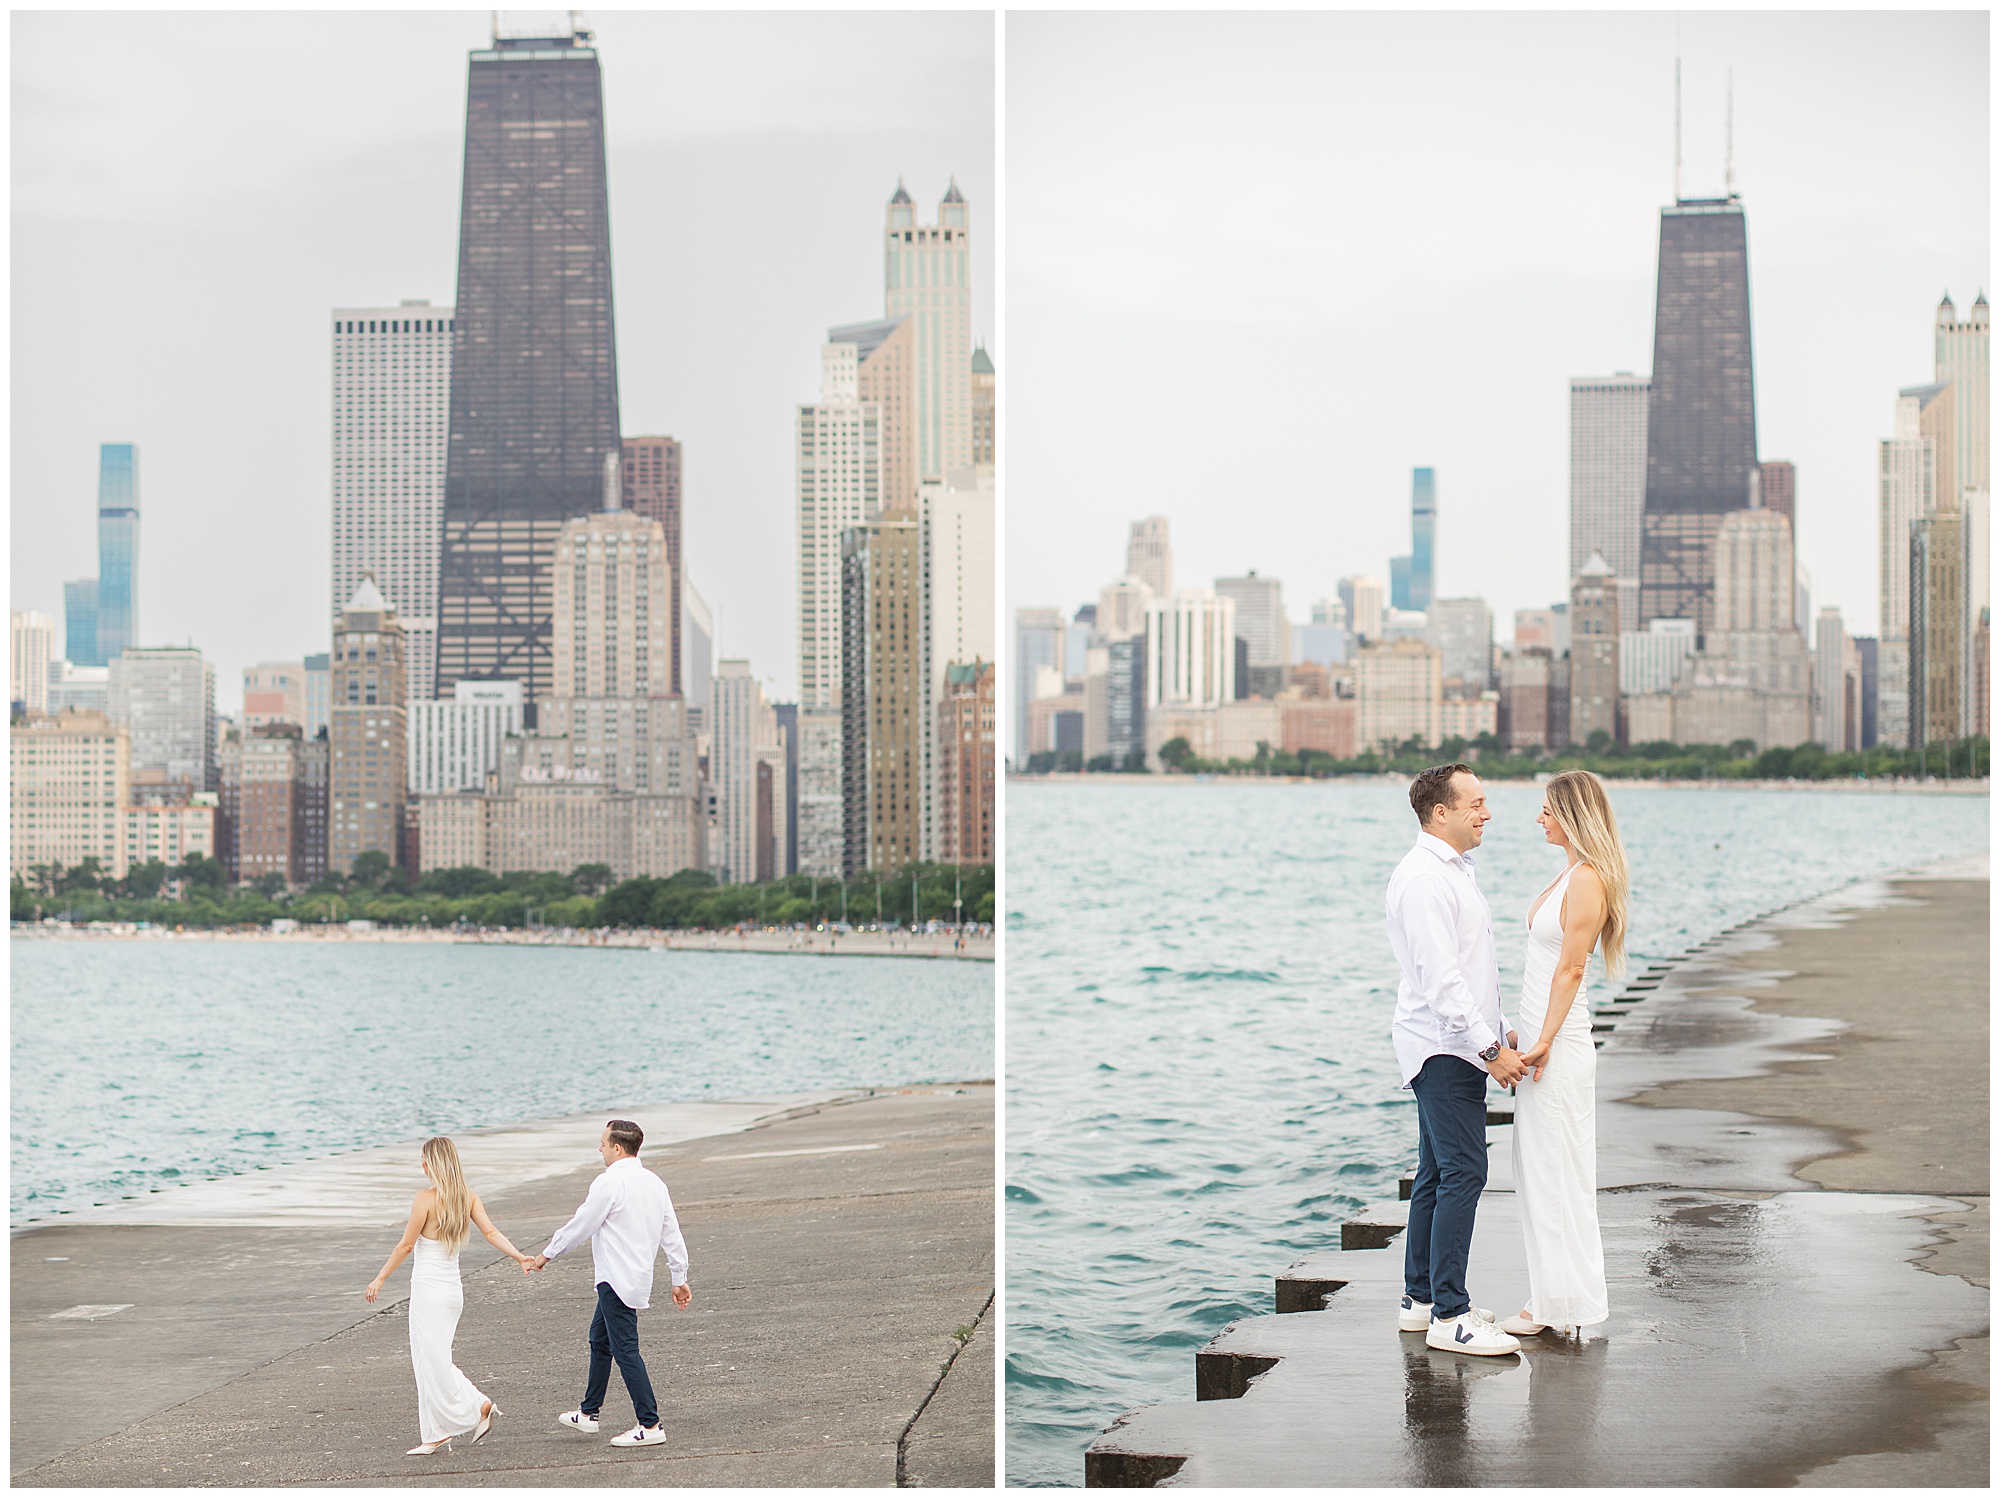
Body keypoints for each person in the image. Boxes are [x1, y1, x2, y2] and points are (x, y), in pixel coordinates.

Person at [1385, 763, 1527, 1357]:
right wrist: (1489, 1049)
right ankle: (1450, 1313)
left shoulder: (1450, 872)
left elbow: (1465, 971)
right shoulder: (1424, 878)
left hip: (1454, 1043)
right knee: (1465, 1173)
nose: (1486, 813)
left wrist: (1497, 1030)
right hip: (1446, 1050)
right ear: (1439, 812)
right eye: (1476, 803)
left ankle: (1420, 1301)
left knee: (1438, 1175)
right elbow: (1442, 981)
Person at [1498, 770, 1626, 1337]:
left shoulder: (1589, 879)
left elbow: (1572, 968)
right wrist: (1525, 1031)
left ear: (1572, 815)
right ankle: (1554, 1295)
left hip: (1562, 1045)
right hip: (1542, 1037)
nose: (1538, 818)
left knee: (1556, 1172)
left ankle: (1556, 1305)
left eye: (1547, 810)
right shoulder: (1569, 874)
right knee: (1540, 1171)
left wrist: (1545, 1038)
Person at [528, 1119, 692, 1449]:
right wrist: (679, 1277)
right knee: (599, 1339)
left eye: (602, 1143)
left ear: (617, 1148)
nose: (599, 1149)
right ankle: (589, 1414)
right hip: (632, 1278)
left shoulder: (609, 1183)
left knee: (625, 1349)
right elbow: (671, 1233)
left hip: (615, 1278)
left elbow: (582, 1225)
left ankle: (650, 1423)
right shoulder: (655, 1183)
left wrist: (547, 1254)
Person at [364, 1136, 532, 1455]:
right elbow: (491, 1233)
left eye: (424, 1159)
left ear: (432, 1164)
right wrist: (519, 1256)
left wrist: (380, 1278)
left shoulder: (424, 1199)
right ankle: (434, 1433)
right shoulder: (466, 1198)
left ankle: (479, 1404)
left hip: (429, 1293)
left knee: (434, 1361)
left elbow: (406, 1245)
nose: (421, 1165)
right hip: (453, 1292)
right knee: (428, 1360)